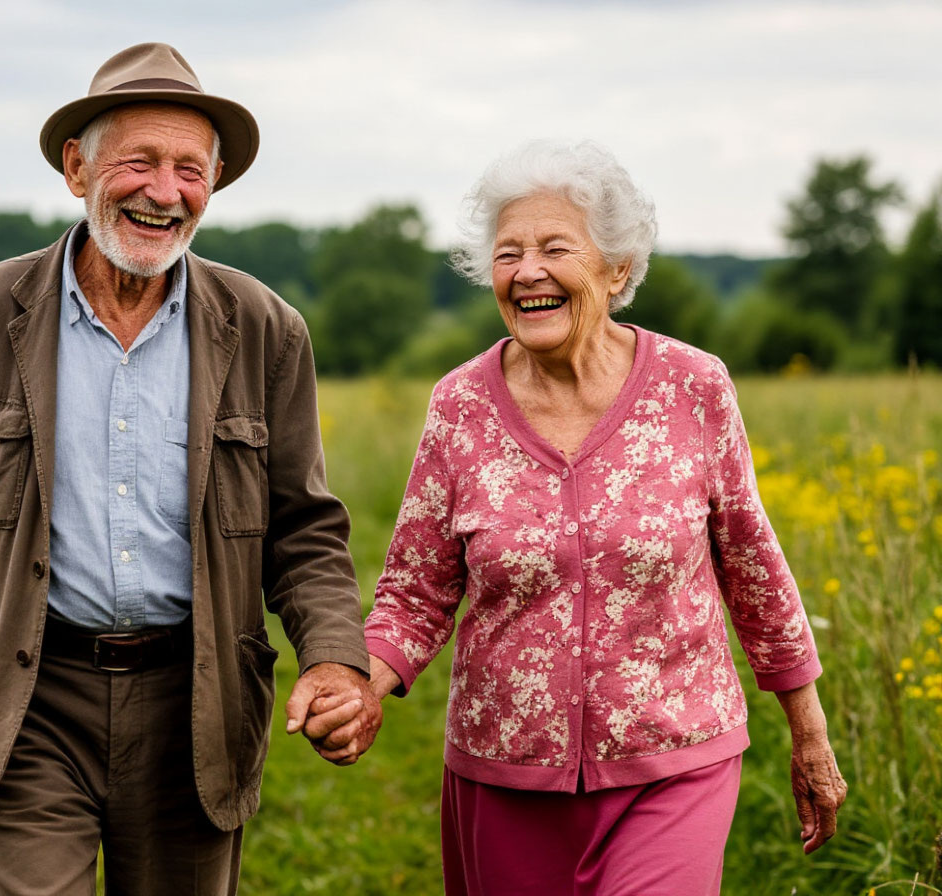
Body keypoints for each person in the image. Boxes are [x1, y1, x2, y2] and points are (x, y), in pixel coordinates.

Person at [0, 42, 380, 896]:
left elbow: (304, 529)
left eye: (189, 169)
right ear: (78, 168)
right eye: (139, 161)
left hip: (196, 701)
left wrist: (333, 657)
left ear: (211, 187)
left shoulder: (262, 325)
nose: (164, 191)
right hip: (29, 697)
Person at [352, 141, 846, 894]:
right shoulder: (459, 405)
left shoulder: (694, 387)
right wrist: (361, 682)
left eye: (555, 248)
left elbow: (751, 563)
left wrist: (808, 733)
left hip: (674, 758)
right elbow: (415, 592)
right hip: (506, 770)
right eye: (508, 253)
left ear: (618, 271)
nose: (527, 272)